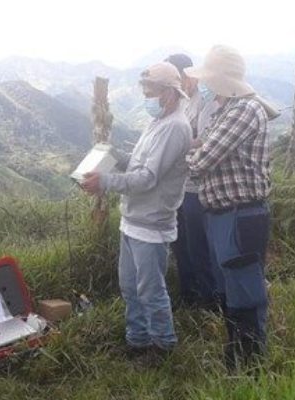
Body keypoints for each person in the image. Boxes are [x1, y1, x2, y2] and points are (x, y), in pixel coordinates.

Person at [81, 62, 191, 359]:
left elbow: (147, 178)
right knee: (130, 286)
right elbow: (139, 163)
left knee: (151, 290)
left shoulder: (175, 128)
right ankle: (137, 339)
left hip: (151, 225)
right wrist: (115, 155)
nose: (146, 98)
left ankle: (162, 345)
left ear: (169, 93)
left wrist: (105, 181)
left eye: (150, 91)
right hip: (132, 221)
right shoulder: (158, 123)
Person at [185, 45, 272, 370]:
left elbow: (201, 160)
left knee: (244, 290)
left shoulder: (242, 111)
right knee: (230, 287)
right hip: (225, 215)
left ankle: (249, 365)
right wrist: (197, 149)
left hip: (240, 214)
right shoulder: (227, 110)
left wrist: (192, 153)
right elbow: (202, 146)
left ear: (221, 80)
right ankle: (237, 352)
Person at [164, 53, 223, 311]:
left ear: (188, 76)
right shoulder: (183, 104)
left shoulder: (206, 104)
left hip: (197, 188)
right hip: (179, 186)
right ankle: (189, 295)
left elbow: (206, 144)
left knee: (199, 245)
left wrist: (174, 151)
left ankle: (209, 300)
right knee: (181, 244)